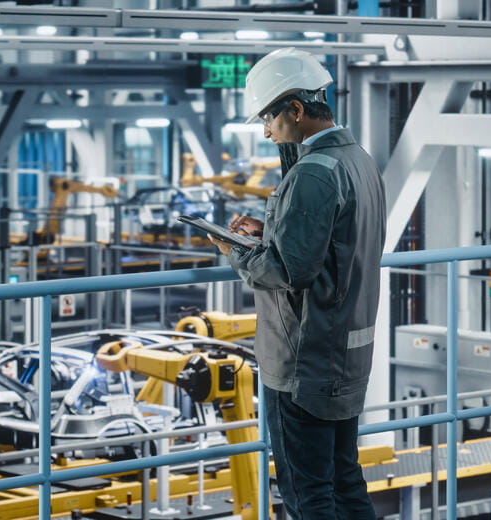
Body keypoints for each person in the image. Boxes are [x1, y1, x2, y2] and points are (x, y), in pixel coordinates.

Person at [208, 47, 386, 519]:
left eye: (268, 118)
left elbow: (290, 272)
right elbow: (334, 242)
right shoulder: (357, 160)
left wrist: (237, 251)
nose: (266, 131)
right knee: (345, 482)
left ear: (296, 109)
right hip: (345, 349)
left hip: (302, 361)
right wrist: (272, 234)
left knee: (308, 493)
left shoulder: (311, 172)